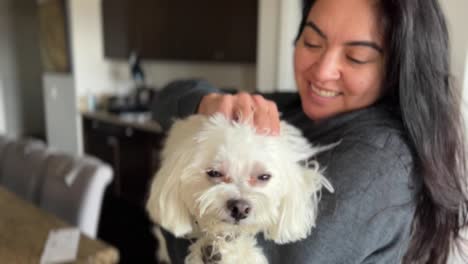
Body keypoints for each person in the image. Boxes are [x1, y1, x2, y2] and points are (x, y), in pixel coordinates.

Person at [151, 0, 468, 263]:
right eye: (312, 42)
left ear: (398, 69)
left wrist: (179, 211)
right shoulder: (290, 108)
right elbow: (166, 100)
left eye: (356, 56)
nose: (322, 70)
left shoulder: (377, 162)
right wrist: (206, 102)